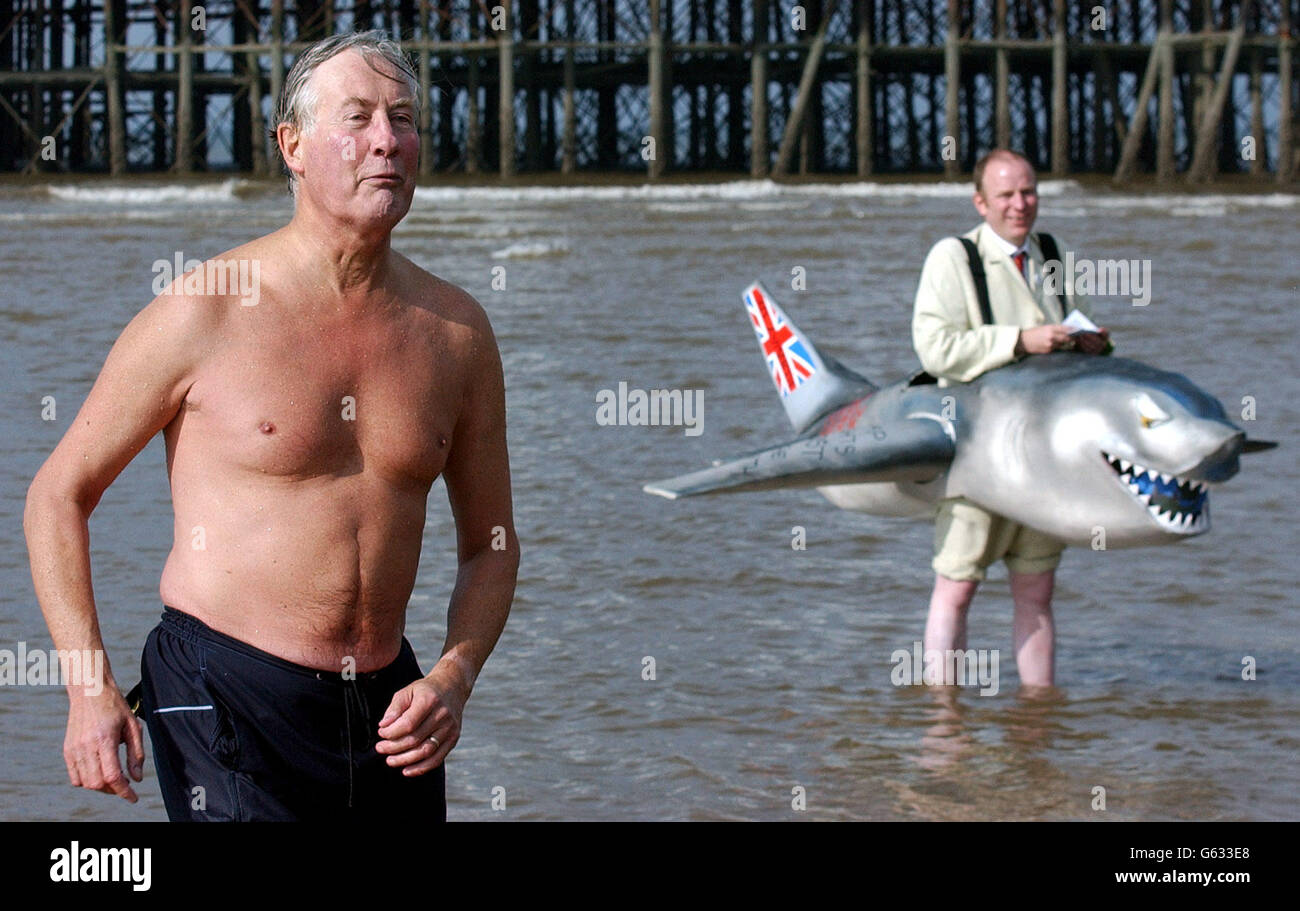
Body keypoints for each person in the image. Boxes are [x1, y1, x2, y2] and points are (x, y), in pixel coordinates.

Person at [23, 31, 519, 820]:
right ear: (292, 144)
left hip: (391, 710)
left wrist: (454, 677)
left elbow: (490, 546)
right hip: (224, 693)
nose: (387, 140)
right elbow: (57, 494)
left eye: (403, 118)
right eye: (355, 118)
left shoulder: (455, 333)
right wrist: (89, 688)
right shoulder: (204, 308)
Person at [911, 148, 1108, 690]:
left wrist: (1091, 346)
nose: (1020, 205)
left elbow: (1073, 327)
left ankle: (1037, 713)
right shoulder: (952, 258)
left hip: (1045, 458)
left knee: (1037, 591)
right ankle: (943, 714)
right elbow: (934, 350)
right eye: (1006, 195)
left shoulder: (1055, 252)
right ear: (981, 202)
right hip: (977, 454)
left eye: (1029, 192)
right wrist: (1019, 341)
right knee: (957, 586)